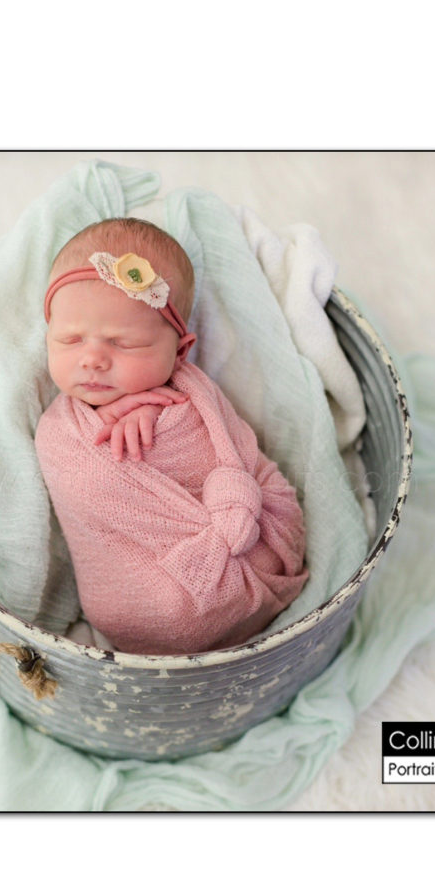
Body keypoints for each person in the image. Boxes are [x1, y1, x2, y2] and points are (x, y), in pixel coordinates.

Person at [35, 217, 308, 655]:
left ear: (180, 351)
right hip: (131, 596)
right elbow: (82, 484)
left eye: (123, 344)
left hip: (235, 535)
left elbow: (232, 455)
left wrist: (155, 411)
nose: (92, 359)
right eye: (70, 340)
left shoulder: (193, 398)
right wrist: (107, 420)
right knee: (165, 609)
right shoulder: (60, 431)